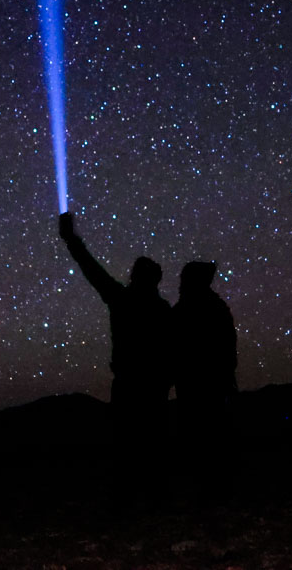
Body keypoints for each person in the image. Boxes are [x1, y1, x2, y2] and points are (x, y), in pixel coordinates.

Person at [58, 212, 172, 437]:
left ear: (135, 277)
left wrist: (70, 239)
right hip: (155, 390)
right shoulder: (163, 310)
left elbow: (92, 269)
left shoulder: (122, 300)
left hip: (129, 388)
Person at [171, 260, 237, 501]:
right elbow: (229, 347)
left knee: (198, 434)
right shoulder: (216, 307)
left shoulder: (186, 308)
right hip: (213, 382)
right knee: (212, 435)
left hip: (195, 383)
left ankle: (205, 488)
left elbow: (174, 346)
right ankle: (215, 487)